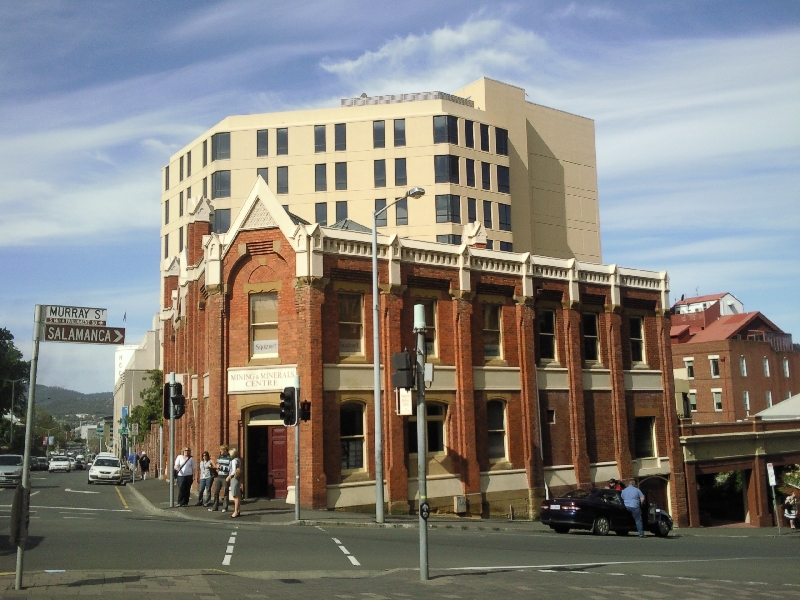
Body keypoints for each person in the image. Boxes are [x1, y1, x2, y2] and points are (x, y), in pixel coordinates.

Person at [208, 445, 231, 512]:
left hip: (225, 476)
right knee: (216, 492)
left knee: (225, 492)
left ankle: (225, 507)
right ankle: (215, 507)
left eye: (221, 450)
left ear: (225, 450)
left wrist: (222, 468)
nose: (220, 451)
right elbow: (217, 464)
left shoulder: (229, 458)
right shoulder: (220, 457)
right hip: (219, 476)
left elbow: (230, 468)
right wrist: (215, 466)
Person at [228, 448, 241, 518]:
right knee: (238, 495)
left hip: (234, 478)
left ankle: (235, 511)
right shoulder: (238, 460)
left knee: (235, 495)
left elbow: (233, 471)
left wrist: (228, 477)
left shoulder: (233, 461)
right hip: (238, 478)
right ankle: (238, 510)